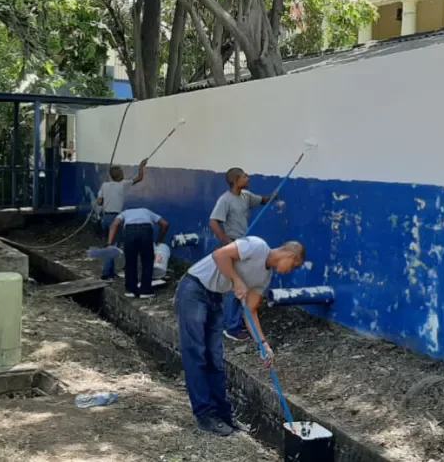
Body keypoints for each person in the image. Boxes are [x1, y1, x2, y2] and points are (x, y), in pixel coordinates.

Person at [175, 237, 305, 436]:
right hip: (194, 290)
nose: (291, 270)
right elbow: (220, 255)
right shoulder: (257, 245)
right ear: (289, 255)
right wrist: (237, 280)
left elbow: (250, 311)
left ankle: (223, 415)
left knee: (215, 359)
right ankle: (205, 416)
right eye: (294, 265)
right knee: (197, 355)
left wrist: (263, 344)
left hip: (215, 296)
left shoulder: (265, 278)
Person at [208, 168, 276, 342]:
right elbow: (213, 222)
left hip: (246, 246)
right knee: (235, 288)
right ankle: (232, 327)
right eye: (245, 176)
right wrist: (226, 240)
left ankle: (235, 322)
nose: (248, 177)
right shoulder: (225, 200)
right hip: (235, 246)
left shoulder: (246, 196)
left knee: (243, 284)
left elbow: (262, 201)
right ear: (236, 181)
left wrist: (272, 197)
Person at [96, 159, 147, 280]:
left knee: (111, 244)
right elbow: (139, 178)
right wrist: (141, 165)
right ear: (120, 175)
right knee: (113, 246)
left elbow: (99, 202)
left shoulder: (105, 185)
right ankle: (105, 274)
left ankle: (111, 272)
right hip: (116, 218)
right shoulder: (124, 184)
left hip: (105, 218)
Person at [107, 208, 169, 298]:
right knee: (147, 261)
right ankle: (145, 291)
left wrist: (110, 243)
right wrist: (159, 240)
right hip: (145, 231)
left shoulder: (125, 213)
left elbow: (115, 224)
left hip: (129, 232)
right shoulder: (147, 211)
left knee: (130, 261)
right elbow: (165, 224)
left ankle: (130, 290)